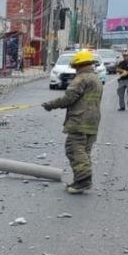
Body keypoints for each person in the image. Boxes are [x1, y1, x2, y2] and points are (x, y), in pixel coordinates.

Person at [42, 50, 103, 194]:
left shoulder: (81, 79)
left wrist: (50, 105)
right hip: (92, 121)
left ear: (78, 65)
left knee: (74, 149)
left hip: (79, 120)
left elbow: (68, 99)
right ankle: (80, 180)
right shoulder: (95, 78)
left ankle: (83, 181)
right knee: (84, 151)